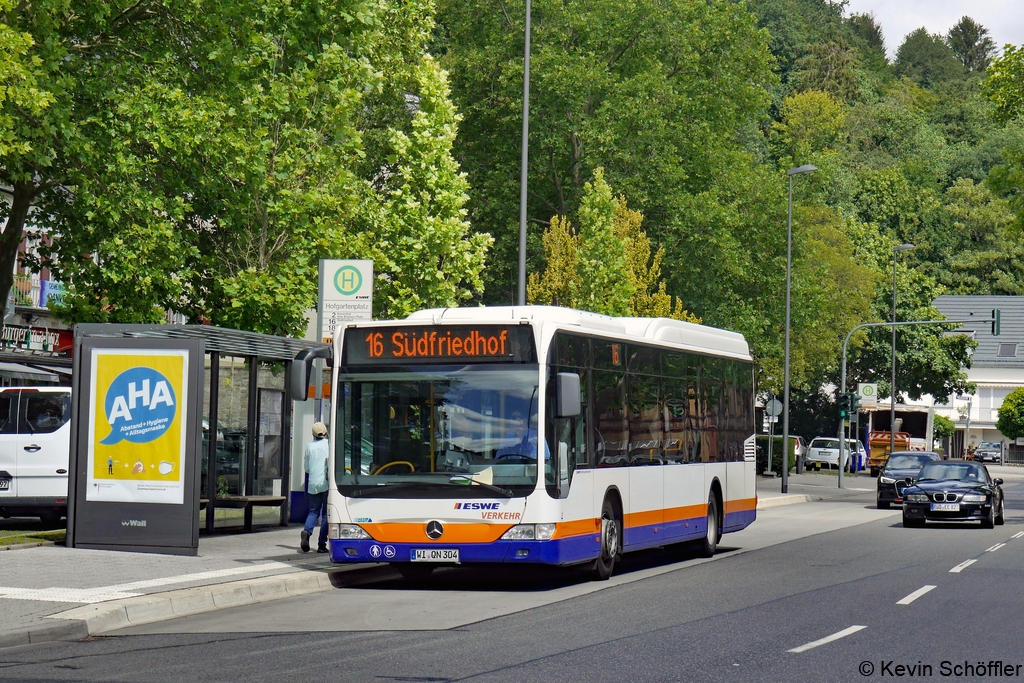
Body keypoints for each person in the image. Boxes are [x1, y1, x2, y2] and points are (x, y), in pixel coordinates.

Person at [301, 422, 330, 553]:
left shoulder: (309, 447)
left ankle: (307, 531)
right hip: (326, 483)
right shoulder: (329, 444)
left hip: (312, 483)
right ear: (325, 433)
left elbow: (306, 468)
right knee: (325, 514)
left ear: (313, 434)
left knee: (313, 511)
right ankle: (321, 545)